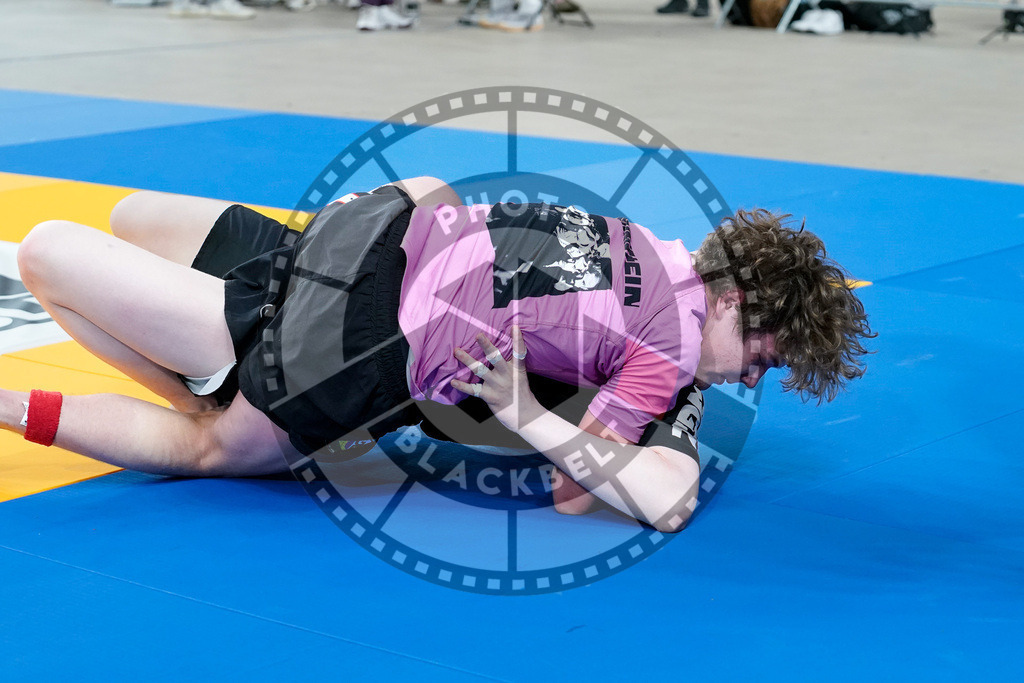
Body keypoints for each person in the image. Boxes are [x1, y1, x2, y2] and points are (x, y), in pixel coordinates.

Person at [4, 177, 873, 532]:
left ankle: (213, 376)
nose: (755, 376)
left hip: (382, 221)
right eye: (764, 351)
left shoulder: (651, 239)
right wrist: (554, 417)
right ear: (730, 299)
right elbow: (576, 496)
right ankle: (206, 388)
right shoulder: (676, 349)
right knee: (209, 444)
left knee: (127, 220)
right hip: (358, 333)